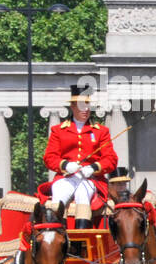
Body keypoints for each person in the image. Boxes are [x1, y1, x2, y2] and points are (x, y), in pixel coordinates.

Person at [43, 81, 119, 228]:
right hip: (66, 176)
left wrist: (94, 167)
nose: (85, 109)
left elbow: (111, 159)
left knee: (83, 194)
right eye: (81, 105)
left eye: (87, 105)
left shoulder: (100, 131)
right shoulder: (58, 130)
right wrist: (65, 165)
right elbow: (50, 157)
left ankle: (81, 237)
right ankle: (58, 233)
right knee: (59, 195)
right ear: (73, 107)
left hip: (90, 177)